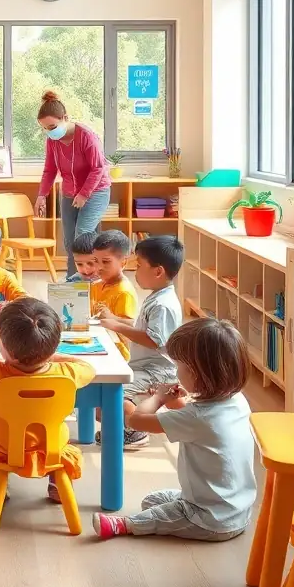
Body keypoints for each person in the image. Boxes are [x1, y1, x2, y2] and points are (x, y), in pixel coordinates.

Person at [93, 317, 256, 541]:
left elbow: (135, 421)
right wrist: (175, 399)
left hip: (211, 520)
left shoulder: (197, 418)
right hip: (237, 510)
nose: (175, 371)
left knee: (161, 513)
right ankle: (185, 510)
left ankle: (122, 525)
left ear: (197, 375)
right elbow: (196, 422)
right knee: (152, 500)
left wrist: (158, 398)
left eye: (178, 366)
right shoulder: (237, 400)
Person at [0, 298, 95, 507]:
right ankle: (57, 481)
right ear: (54, 345)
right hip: (53, 449)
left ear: (3, 346)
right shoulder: (67, 373)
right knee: (59, 443)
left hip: (3, 448)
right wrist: (51, 356)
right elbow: (88, 367)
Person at [97, 235, 183, 449]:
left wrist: (116, 326)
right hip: (150, 367)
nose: (135, 272)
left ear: (158, 271)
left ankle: (134, 431)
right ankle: (178, 411)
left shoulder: (162, 304)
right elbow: (142, 327)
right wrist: (114, 319)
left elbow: (153, 340)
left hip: (156, 371)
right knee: (105, 397)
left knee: (109, 398)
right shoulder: (157, 296)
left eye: (139, 266)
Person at [34, 92, 111, 278]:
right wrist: (42, 195)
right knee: (70, 242)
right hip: (69, 193)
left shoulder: (87, 137)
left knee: (82, 237)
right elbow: (50, 170)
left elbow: (98, 168)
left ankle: (85, 281)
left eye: (52, 127)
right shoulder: (52, 141)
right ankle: (74, 280)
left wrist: (84, 194)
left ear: (65, 118)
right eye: (45, 129)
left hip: (96, 192)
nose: (49, 132)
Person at [89, 230, 137, 360]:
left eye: (105, 262)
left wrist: (111, 317)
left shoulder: (124, 292)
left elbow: (131, 326)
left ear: (123, 263)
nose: (99, 267)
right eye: (96, 261)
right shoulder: (96, 285)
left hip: (116, 353)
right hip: (96, 341)